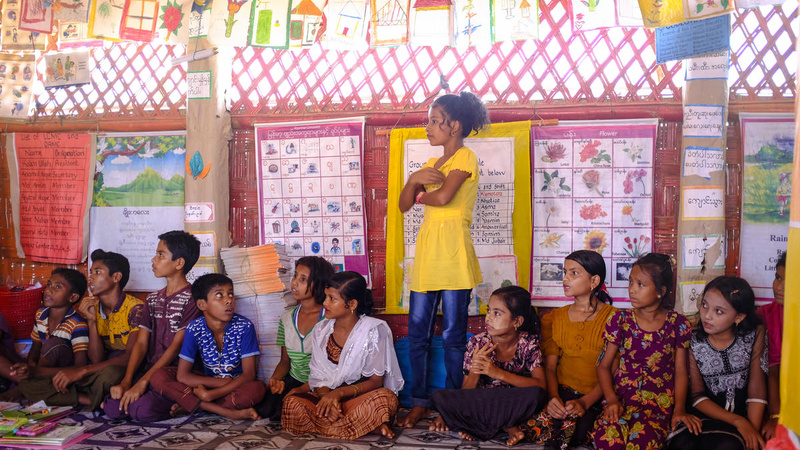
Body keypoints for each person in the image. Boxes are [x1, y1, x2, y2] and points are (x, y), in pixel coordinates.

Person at [396, 91, 491, 427]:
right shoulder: (432, 165)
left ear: (455, 126)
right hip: (428, 256)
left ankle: (451, 406)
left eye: (435, 121)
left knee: (452, 337)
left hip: (453, 255)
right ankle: (420, 402)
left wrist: (420, 191)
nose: (428, 127)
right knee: (418, 335)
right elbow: (403, 205)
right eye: (429, 121)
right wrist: (413, 180)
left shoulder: (466, 157)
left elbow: (444, 197)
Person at [512, 250, 617, 448]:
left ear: (594, 280)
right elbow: (550, 368)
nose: (565, 278)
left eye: (574, 273)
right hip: (562, 393)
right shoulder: (555, 318)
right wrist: (553, 398)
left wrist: (585, 402)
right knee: (530, 419)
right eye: (565, 272)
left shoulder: (615, 319)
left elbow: (613, 370)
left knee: (580, 429)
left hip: (596, 396)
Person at [282, 271, 404, 439]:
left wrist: (339, 394)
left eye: (332, 299)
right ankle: (365, 425)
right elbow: (318, 376)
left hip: (357, 397)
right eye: (326, 297)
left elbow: (376, 381)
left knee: (385, 399)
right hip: (327, 395)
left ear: (352, 304)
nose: (325, 303)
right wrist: (327, 400)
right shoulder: (321, 330)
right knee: (292, 403)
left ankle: (338, 423)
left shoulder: (374, 330)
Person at [591, 253, 694, 449]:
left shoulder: (678, 323)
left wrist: (679, 410)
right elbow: (603, 366)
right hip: (620, 402)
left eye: (641, 284)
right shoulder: (620, 320)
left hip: (657, 408)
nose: (632, 289)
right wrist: (611, 400)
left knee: (641, 444)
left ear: (660, 291)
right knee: (609, 442)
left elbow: (681, 372)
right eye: (631, 282)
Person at [20, 250, 143, 409]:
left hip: (123, 371)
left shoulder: (135, 309)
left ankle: (86, 399)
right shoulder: (92, 308)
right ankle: (93, 400)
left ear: (116, 277)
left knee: (111, 374)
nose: (90, 278)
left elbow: (129, 357)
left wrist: (82, 371)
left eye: (97, 272)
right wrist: (91, 322)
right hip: (96, 370)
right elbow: (97, 360)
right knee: (29, 385)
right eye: (91, 272)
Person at [103, 230, 201, 422]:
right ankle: (164, 400)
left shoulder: (192, 299)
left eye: (161, 255)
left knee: (141, 410)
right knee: (113, 408)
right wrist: (127, 381)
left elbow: (176, 347)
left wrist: (143, 383)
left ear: (179, 263)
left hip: (174, 374)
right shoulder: (152, 299)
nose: (153, 260)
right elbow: (140, 344)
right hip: (149, 369)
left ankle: (186, 401)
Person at [428, 286, 546, 444]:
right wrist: (475, 370)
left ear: (517, 321)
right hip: (482, 401)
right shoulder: (477, 343)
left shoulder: (528, 342)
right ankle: (508, 426)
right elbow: (466, 391)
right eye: (488, 310)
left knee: (536, 395)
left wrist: (497, 373)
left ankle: (479, 427)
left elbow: (541, 385)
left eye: (497, 313)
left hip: (509, 402)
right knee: (438, 397)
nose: (489, 318)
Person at [665, 277, 768, 450]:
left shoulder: (754, 335)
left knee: (728, 446)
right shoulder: (693, 340)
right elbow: (697, 396)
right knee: (684, 445)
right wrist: (738, 421)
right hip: (702, 417)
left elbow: (757, 390)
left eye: (719, 311)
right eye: (704, 305)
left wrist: (751, 432)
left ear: (739, 316)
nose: (707, 315)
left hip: (742, 420)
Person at [150, 274, 265, 420]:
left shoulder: (245, 327)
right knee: (158, 376)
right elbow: (183, 375)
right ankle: (224, 411)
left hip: (235, 385)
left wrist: (211, 394)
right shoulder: (194, 328)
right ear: (202, 305)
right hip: (208, 382)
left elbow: (249, 375)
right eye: (219, 295)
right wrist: (219, 384)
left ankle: (192, 405)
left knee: (256, 390)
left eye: (230, 294)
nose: (229, 300)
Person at [256, 256, 334, 420]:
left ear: (319, 285)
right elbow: (285, 361)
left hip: (322, 383)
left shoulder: (329, 320)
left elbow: (333, 367)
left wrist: (306, 388)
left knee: (300, 411)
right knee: (265, 409)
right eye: (295, 276)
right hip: (294, 380)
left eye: (303, 279)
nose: (294, 283)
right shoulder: (286, 319)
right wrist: (276, 379)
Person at [14, 269, 90, 402]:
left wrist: (37, 372)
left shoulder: (77, 324)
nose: (49, 290)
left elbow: (80, 367)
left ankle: (80, 397)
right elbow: (35, 348)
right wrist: (30, 368)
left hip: (66, 377)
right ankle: (40, 391)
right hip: (44, 374)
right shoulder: (40, 314)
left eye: (58, 287)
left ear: (72, 297)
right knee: (26, 383)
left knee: (54, 344)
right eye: (49, 284)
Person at [759, 251, 785, 440]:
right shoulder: (765, 315)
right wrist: (776, 417)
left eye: (790, 282)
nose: (779, 287)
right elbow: (773, 369)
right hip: (776, 401)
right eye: (778, 277)